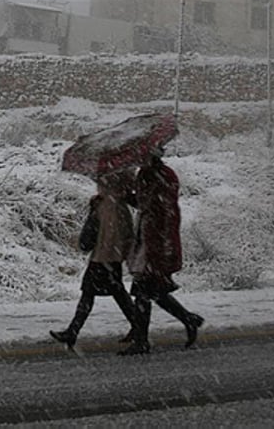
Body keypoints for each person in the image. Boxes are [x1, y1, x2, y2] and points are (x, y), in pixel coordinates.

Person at [119, 147, 204, 356]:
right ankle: (187, 319)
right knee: (153, 292)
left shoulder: (157, 175)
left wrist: (130, 195)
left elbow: (153, 206)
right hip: (152, 240)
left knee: (143, 292)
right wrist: (129, 195)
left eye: (141, 157)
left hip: (156, 243)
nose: (138, 161)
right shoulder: (156, 174)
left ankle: (142, 342)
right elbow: (145, 204)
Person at [49, 172, 141, 351]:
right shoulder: (118, 205)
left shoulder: (106, 205)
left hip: (103, 258)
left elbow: (92, 235)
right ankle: (137, 327)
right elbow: (126, 234)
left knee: (91, 294)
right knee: (115, 293)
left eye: (101, 183)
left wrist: (93, 210)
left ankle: (72, 332)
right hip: (109, 257)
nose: (98, 185)